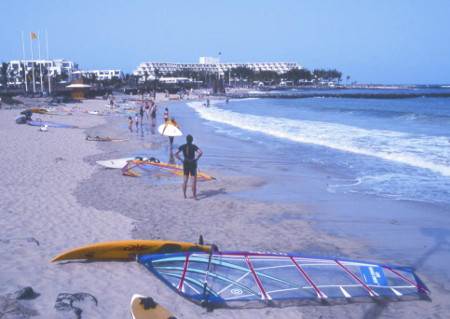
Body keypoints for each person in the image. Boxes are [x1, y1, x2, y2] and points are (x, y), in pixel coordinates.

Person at [174, 134, 202, 200]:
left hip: (185, 162)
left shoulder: (183, 146)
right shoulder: (193, 146)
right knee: (193, 181)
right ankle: (194, 197)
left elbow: (175, 153)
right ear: (192, 140)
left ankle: (184, 195)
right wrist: (197, 158)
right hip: (192, 163)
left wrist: (181, 159)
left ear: (186, 140)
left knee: (185, 180)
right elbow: (200, 153)